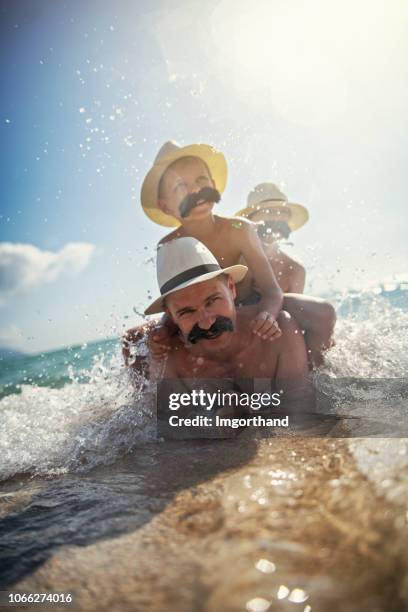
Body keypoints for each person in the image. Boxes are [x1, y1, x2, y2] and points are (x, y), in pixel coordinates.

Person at [124, 141, 335, 369]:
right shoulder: (168, 245)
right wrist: (162, 331)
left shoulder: (240, 229)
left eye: (200, 181)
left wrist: (268, 313)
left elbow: (272, 290)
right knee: (132, 340)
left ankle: (314, 373)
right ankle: (150, 399)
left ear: (214, 184)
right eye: (180, 187)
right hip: (201, 314)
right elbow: (175, 303)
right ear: (165, 206)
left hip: (248, 308)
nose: (195, 190)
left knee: (322, 312)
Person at [131, 237, 313, 411]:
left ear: (232, 289)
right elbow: (172, 429)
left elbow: (300, 412)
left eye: (212, 301)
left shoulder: (280, 331)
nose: (207, 322)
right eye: (187, 312)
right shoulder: (170, 360)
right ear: (170, 315)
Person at [236, 183, 307, 294]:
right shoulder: (235, 259)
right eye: (269, 211)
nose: (277, 217)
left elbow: (296, 310)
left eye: (282, 212)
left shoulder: (294, 270)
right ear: (251, 220)